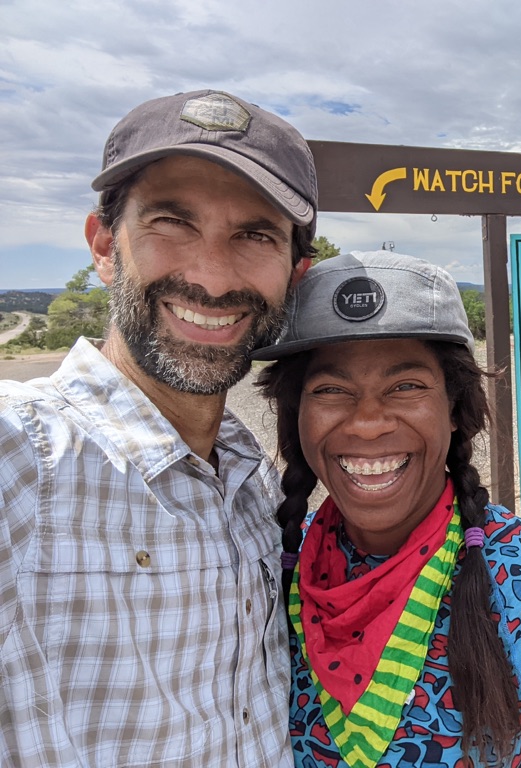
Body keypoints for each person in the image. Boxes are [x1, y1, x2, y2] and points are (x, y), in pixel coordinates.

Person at [0, 89, 316, 767]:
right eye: (172, 222)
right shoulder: (26, 457)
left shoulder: (250, 477)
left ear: (296, 273)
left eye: (255, 234)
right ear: (104, 247)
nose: (210, 275)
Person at [254, 251, 521, 768]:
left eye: (406, 386)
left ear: (454, 408)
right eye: (331, 390)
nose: (368, 423)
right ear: (296, 413)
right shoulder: (266, 577)